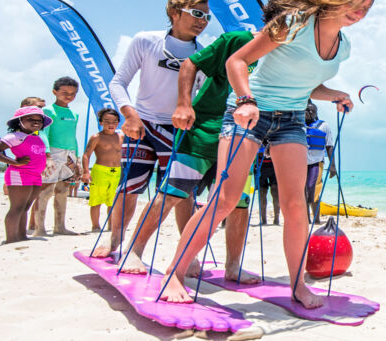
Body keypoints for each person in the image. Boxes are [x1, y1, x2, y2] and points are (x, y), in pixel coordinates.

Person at [158, 0, 373, 306]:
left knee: (296, 204)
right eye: (354, 2)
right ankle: (175, 273)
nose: (360, 11)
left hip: (292, 119)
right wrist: (245, 99)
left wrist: (334, 94)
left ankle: (297, 285)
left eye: (367, 6)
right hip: (250, 111)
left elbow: (304, 83)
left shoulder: (344, 46)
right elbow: (237, 61)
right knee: (225, 199)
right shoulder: (294, 23)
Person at [105, 24, 269, 278]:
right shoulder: (237, 39)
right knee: (173, 193)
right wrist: (183, 104)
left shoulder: (285, 53)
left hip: (244, 133)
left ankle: (233, 266)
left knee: (239, 203)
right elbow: (189, 64)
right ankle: (134, 250)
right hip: (204, 128)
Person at [96, 0, 208, 261]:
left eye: (207, 17)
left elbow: (200, 97)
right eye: (197, 14)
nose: (202, 21)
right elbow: (118, 82)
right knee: (130, 186)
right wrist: (129, 114)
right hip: (141, 125)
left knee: (182, 193)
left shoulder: (204, 53)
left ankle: (187, 255)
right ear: (174, 12)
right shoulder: (146, 40)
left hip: (178, 130)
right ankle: (115, 240)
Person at [0, 107, 51, 243]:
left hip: (35, 176)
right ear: (20, 121)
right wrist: (14, 162)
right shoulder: (15, 136)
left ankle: (21, 236)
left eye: (39, 120)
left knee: (25, 208)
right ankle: (11, 239)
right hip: (20, 175)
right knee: (17, 207)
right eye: (30, 119)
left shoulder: (36, 137)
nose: (36, 122)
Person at [30, 77, 81, 236]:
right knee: (45, 191)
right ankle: (39, 228)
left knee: (63, 190)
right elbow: (43, 133)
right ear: (55, 92)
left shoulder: (74, 113)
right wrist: (47, 155)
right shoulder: (48, 111)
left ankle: (60, 226)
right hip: (53, 152)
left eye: (73, 93)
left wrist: (77, 158)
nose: (69, 96)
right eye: (65, 92)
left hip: (70, 154)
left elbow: (73, 136)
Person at [80, 109, 123, 232]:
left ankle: (111, 226)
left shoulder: (121, 136)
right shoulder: (96, 137)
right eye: (107, 121)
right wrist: (85, 172)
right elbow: (86, 155)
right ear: (100, 122)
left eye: (114, 121)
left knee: (112, 201)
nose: (111, 124)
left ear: (118, 123)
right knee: (96, 200)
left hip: (117, 171)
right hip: (100, 171)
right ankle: (95, 226)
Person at [304, 101, 337, 220]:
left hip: (316, 162)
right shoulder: (298, 126)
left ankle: (316, 219)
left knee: (312, 188)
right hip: (300, 163)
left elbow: (329, 146)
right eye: (306, 110)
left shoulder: (324, 126)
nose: (308, 112)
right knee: (302, 191)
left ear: (316, 113)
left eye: (311, 111)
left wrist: (333, 166)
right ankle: (306, 220)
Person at [257, 148, 280, 225]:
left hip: (264, 165)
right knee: (273, 193)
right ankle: (275, 220)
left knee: (264, 193)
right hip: (270, 165)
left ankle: (266, 220)